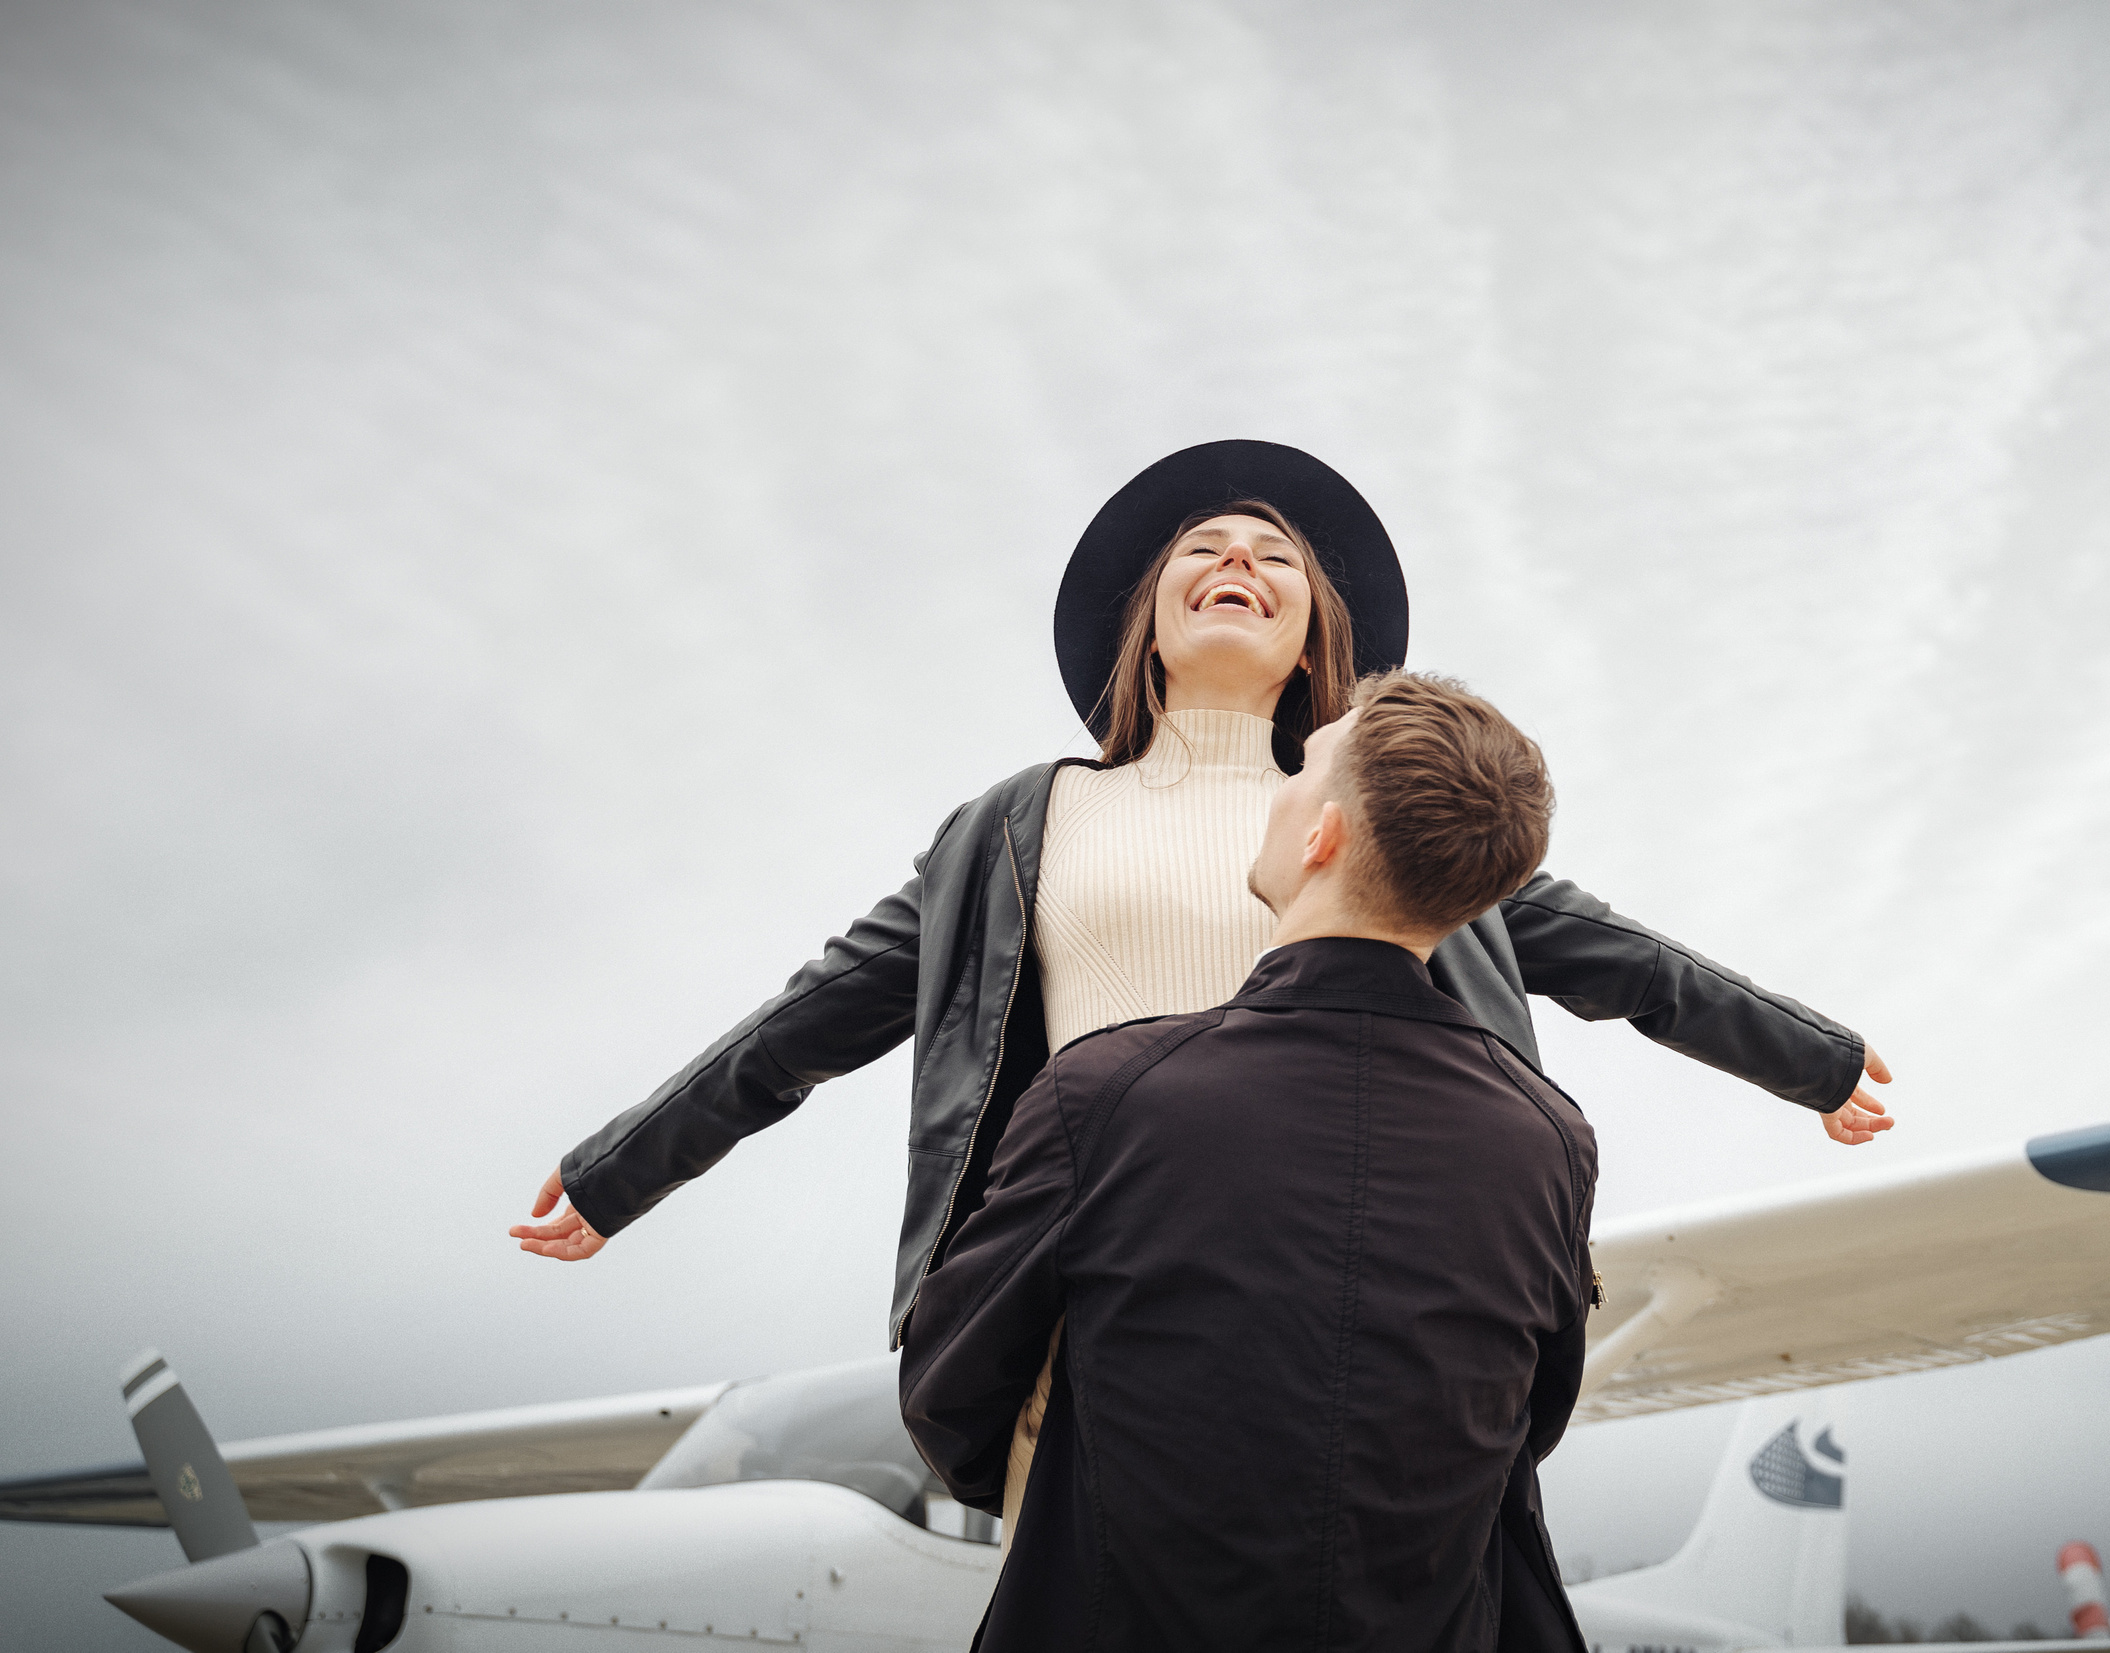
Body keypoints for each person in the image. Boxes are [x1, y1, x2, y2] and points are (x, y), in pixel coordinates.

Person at [510, 441, 1893, 1351]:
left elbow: (1618, 958)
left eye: (1277, 556)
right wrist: (621, 1168)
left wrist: (1813, 1059)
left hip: (1369, 1277)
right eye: (1205, 547)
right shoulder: (1010, 831)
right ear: (1150, 616)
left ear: (1314, 638)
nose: (1240, 561)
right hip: (1103, 1288)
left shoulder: (1377, 810)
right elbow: (803, 1026)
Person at [902, 670, 1594, 1652]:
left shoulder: (1103, 1092)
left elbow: (950, 1384)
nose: (1279, 787)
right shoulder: (1549, 1139)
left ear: (1321, 837)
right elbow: (1532, 1418)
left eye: (1302, 769)